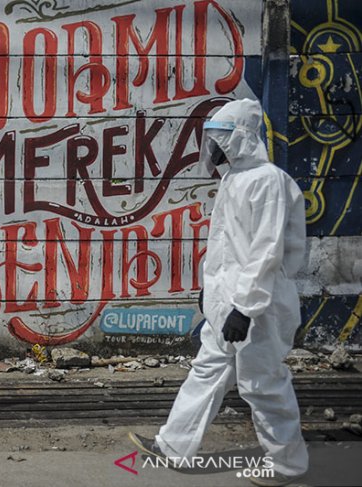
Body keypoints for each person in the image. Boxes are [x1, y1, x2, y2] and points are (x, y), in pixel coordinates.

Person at [128, 99, 308, 487]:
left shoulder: (267, 181)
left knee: (262, 383)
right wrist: (213, 293)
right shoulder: (235, 179)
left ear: (241, 137)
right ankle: (172, 447)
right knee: (207, 370)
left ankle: (287, 464)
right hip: (230, 301)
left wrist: (245, 307)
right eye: (212, 138)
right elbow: (228, 249)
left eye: (221, 138)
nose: (213, 146)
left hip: (260, 306)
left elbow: (265, 252)